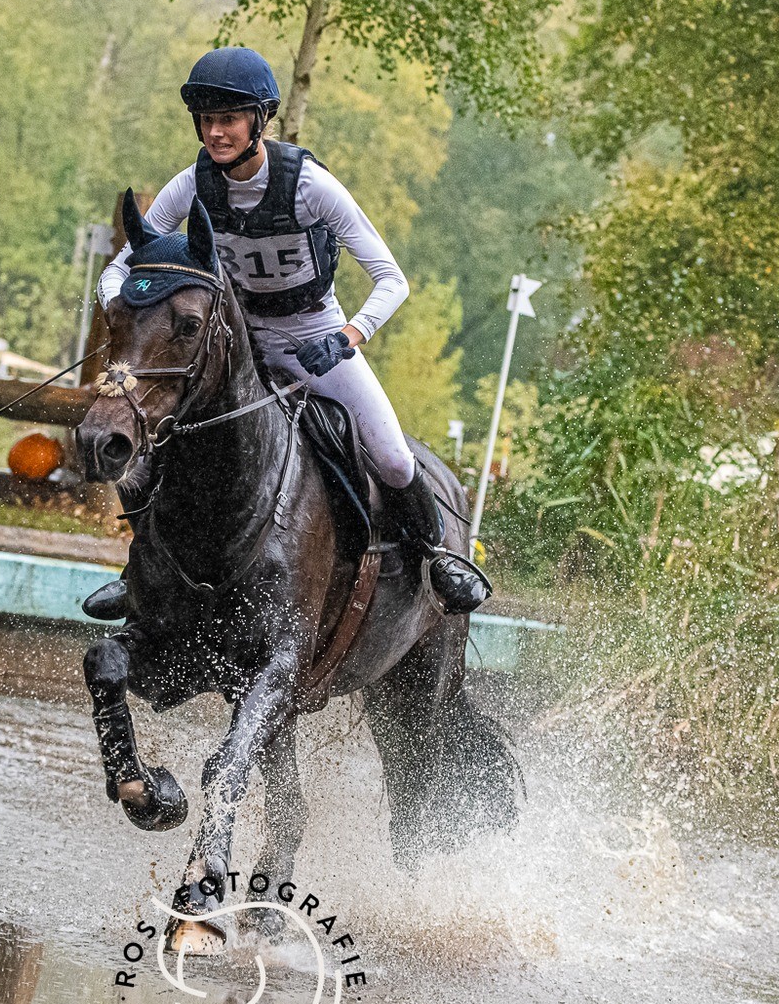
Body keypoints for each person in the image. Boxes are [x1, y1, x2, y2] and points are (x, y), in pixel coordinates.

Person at [82, 45, 489, 619]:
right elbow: (125, 265)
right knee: (149, 450)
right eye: (207, 121)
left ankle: (435, 560)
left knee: (395, 460)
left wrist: (349, 336)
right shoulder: (191, 183)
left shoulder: (310, 187)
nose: (216, 133)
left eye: (229, 119)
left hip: (314, 340)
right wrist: (117, 306)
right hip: (233, 347)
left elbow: (391, 279)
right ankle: (141, 573)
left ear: (260, 120)